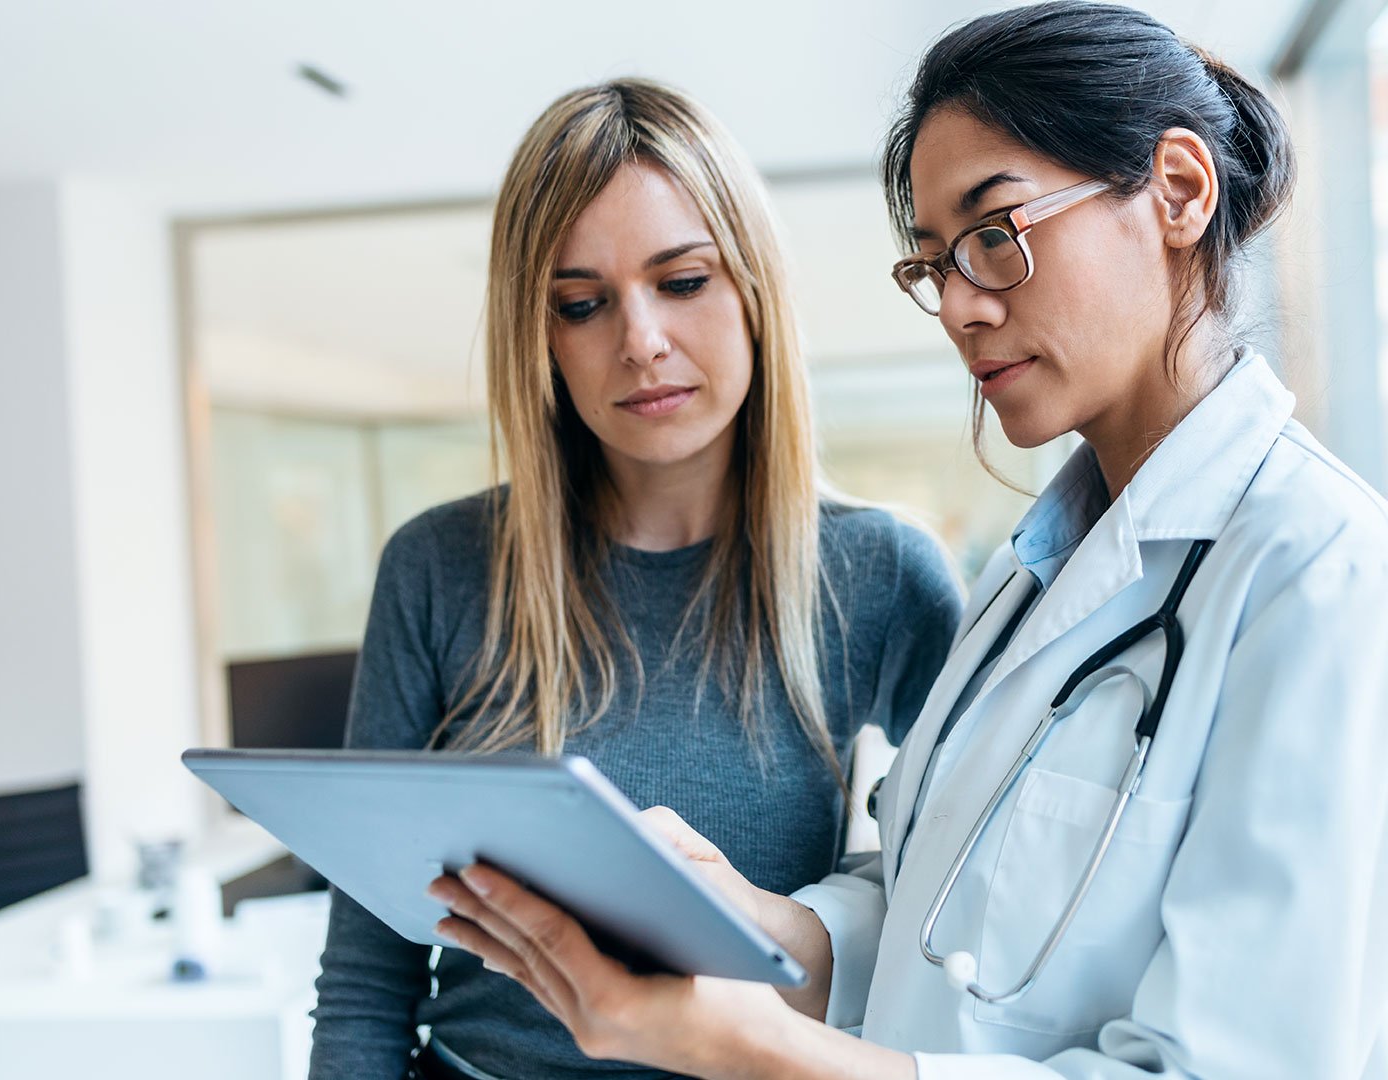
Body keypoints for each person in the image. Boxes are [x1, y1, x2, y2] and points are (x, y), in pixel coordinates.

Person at [428, 4, 1388, 1078]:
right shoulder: (1033, 576)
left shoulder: (1318, 574)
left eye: (994, 236)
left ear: (1177, 190)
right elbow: (939, 917)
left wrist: (740, 1046)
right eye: (935, 264)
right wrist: (757, 921)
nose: (959, 308)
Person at [310, 78, 963, 1080]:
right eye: (581, 303)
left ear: (752, 288)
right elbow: (366, 978)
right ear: (543, 337)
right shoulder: (439, 569)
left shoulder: (880, 573)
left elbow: (955, 910)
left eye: (684, 281)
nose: (640, 341)